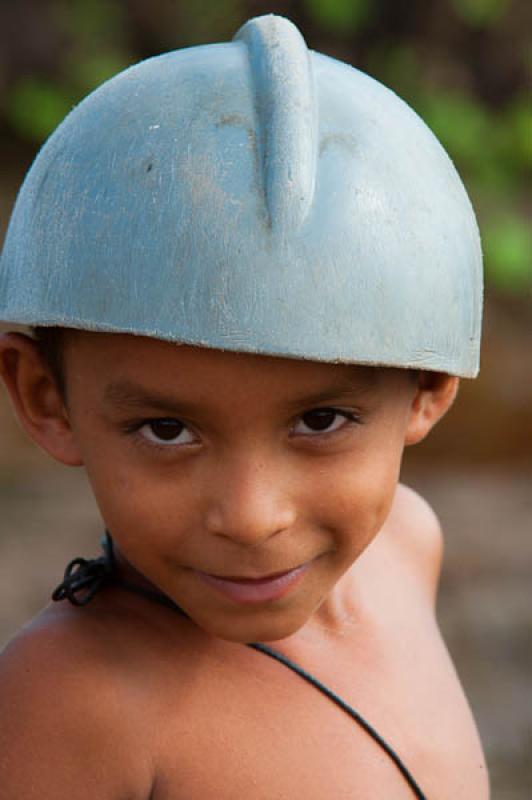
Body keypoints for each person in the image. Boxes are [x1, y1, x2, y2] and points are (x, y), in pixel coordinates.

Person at [0, 14, 488, 799]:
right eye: (167, 430)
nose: (252, 516)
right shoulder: (71, 702)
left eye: (321, 421)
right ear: (44, 397)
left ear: (427, 388)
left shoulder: (406, 547)